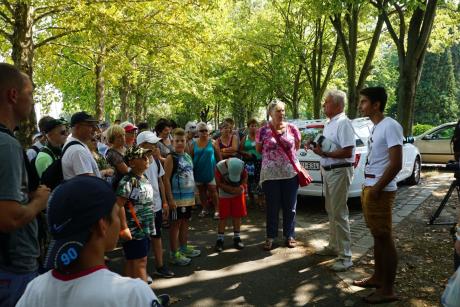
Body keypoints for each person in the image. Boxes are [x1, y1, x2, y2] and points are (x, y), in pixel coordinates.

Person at [16, 176, 164, 307]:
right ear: (102, 225)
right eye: (117, 214)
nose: (119, 220)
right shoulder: (133, 294)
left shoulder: (35, 289)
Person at [0, 63, 50, 307]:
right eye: (30, 93)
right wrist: (39, 202)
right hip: (12, 269)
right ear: (12, 95)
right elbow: (8, 218)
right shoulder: (6, 145)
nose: (32, 101)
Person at [352, 86, 402, 304]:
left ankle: (388, 290)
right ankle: (377, 278)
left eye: (363, 102)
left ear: (376, 105)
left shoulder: (390, 126)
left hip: (379, 191)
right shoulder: (376, 127)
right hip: (371, 187)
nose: (360, 106)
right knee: (377, 235)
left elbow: (396, 163)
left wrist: (377, 189)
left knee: (384, 236)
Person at [309, 90, 356, 272]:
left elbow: (348, 151)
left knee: (339, 213)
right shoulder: (330, 123)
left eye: (326, 102)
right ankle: (333, 246)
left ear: (337, 105)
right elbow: (329, 147)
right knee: (331, 210)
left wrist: (325, 153)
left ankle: (346, 257)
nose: (323, 105)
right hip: (328, 171)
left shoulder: (343, 123)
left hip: (339, 171)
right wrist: (316, 148)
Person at [256, 99, 301, 251]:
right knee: (272, 208)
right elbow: (258, 149)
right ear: (270, 113)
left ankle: (290, 235)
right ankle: (270, 236)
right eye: (278, 110)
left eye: (283, 110)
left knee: (290, 207)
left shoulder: (293, 128)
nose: (281, 113)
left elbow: (297, 146)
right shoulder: (262, 130)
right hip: (270, 175)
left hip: (290, 173)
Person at [137, 131, 175, 278]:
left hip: (157, 204)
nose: (154, 146)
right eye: (150, 144)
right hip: (143, 207)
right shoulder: (136, 163)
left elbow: (161, 181)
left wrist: (165, 202)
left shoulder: (156, 160)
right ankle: (141, 272)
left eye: (154, 143)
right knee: (143, 240)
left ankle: (160, 265)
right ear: (141, 145)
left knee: (157, 236)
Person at [116, 146, 155, 282]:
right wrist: (124, 227)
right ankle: (145, 298)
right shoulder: (128, 181)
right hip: (134, 229)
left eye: (147, 156)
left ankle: (128, 294)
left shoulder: (143, 177)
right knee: (140, 262)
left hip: (145, 227)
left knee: (134, 260)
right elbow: (118, 205)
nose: (147, 159)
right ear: (132, 162)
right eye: (142, 157)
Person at [164, 128, 200, 266]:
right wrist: (170, 199)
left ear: (186, 141)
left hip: (188, 198)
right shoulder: (170, 157)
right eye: (177, 141)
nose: (179, 143)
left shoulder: (187, 157)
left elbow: (191, 176)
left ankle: (183, 248)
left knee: (185, 222)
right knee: (175, 226)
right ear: (173, 142)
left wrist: (194, 194)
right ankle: (174, 253)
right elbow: (166, 179)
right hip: (176, 199)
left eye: (182, 140)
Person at [214, 158, 248, 252]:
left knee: (237, 215)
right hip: (224, 195)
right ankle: (220, 239)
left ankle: (237, 237)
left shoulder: (241, 165)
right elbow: (218, 183)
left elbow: (245, 177)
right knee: (223, 217)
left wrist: (241, 187)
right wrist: (229, 189)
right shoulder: (219, 167)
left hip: (238, 193)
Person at [190, 122, 221, 219]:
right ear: (197, 132)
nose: (204, 132)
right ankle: (204, 209)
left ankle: (217, 210)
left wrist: (221, 169)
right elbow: (190, 157)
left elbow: (218, 156)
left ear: (208, 131)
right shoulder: (193, 144)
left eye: (205, 130)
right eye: (201, 131)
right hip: (198, 170)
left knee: (213, 190)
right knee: (201, 191)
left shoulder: (213, 142)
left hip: (210, 170)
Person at [62, 111, 101, 180]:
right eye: (90, 125)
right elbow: (87, 182)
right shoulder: (78, 150)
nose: (95, 129)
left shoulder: (75, 144)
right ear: (77, 127)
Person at [239, 118, 264, 210]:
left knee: (259, 180)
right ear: (248, 127)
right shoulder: (245, 138)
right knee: (249, 180)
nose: (254, 128)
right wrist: (245, 153)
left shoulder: (260, 137)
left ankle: (261, 201)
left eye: (255, 126)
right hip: (248, 163)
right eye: (251, 126)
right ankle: (252, 200)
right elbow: (240, 149)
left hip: (259, 161)